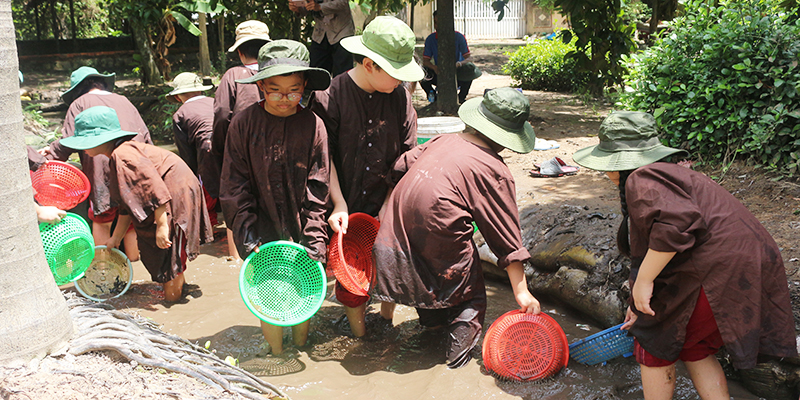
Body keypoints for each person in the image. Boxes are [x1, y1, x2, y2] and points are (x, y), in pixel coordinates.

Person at [571, 111, 797, 400]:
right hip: (749, 262)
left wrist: (643, 283)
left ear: (619, 161)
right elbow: (655, 246)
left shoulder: (641, 177)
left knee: (652, 342)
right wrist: (635, 301)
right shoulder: (670, 173)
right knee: (695, 347)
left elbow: (676, 227)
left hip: (720, 269)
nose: (604, 172)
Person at [372, 87, 540, 369]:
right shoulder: (492, 168)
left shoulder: (443, 140)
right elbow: (504, 234)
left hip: (396, 227)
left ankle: (428, 335)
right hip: (438, 235)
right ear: (507, 138)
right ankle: (456, 364)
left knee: (425, 280)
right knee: (468, 297)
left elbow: (400, 166)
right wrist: (521, 291)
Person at [310, 16, 423, 338]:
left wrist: (390, 204)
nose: (402, 81)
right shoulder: (330, 96)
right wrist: (339, 203)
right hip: (343, 196)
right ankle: (359, 336)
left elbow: (407, 155)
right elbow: (322, 157)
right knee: (351, 268)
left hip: (387, 195)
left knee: (392, 263)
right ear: (370, 64)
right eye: (396, 73)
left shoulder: (400, 97)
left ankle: (386, 323)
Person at [220, 40, 331, 355]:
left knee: (302, 290)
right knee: (268, 292)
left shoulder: (313, 125)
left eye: (293, 91)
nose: (285, 99)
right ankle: (277, 355)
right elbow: (234, 184)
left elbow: (318, 185)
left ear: (305, 86)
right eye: (275, 91)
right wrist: (247, 235)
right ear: (260, 88)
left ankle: (299, 346)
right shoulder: (243, 124)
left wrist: (314, 239)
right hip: (261, 226)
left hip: (301, 224)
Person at [60, 106, 213, 303]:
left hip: (174, 194)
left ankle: (172, 299)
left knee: (168, 255)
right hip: (172, 193)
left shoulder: (122, 155)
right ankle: (177, 289)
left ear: (101, 139)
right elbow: (127, 205)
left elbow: (154, 188)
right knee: (169, 254)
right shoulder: (118, 155)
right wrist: (116, 238)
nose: (81, 147)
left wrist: (162, 225)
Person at [41, 66, 151, 262]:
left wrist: (47, 158)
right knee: (132, 218)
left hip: (101, 170)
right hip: (135, 166)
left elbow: (70, 140)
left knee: (102, 219)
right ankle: (136, 266)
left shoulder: (79, 103)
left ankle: (103, 268)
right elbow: (146, 137)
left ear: (77, 89)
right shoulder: (124, 101)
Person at [213, 20, 271, 260]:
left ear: (239, 51)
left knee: (236, 197)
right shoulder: (277, 75)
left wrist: (220, 149)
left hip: (240, 150)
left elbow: (220, 114)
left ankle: (237, 259)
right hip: (274, 149)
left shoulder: (233, 75)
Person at [168, 72, 218, 226]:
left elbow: (186, 152)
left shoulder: (180, 114)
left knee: (205, 186)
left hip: (205, 148)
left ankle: (209, 224)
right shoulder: (215, 102)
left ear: (178, 97)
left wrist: (191, 174)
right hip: (229, 144)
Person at [419, 10, 482, 104]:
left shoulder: (459, 37)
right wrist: (434, 67)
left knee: (470, 69)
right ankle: (432, 96)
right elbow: (425, 61)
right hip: (439, 72)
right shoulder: (430, 39)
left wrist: (459, 64)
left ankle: (461, 98)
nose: (438, 26)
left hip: (459, 73)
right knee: (422, 72)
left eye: (440, 23)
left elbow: (469, 58)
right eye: (435, 23)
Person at [288, 0, 354, 77]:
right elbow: (306, 8)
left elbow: (343, 3)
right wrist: (297, 9)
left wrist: (320, 7)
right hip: (320, 34)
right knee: (316, 73)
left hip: (341, 33)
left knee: (342, 74)